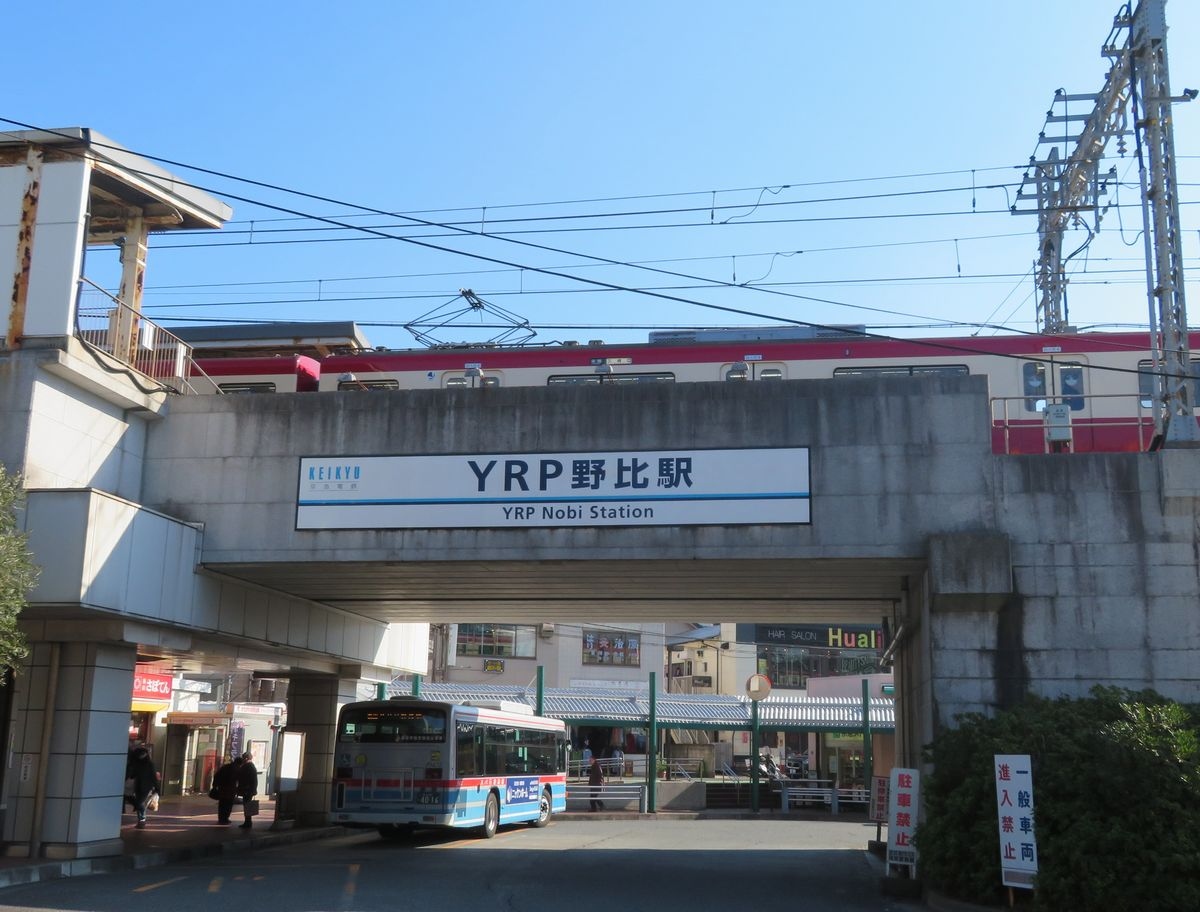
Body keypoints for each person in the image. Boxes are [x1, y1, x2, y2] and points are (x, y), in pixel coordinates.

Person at [125, 743, 159, 829]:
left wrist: (157, 788)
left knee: (139, 802)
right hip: (138, 785)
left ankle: (142, 820)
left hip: (146, 786)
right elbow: (133, 773)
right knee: (137, 801)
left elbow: (153, 776)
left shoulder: (149, 764)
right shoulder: (137, 762)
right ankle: (141, 818)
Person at [212, 755, 240, 824]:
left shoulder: (225, 767)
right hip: (230, 790)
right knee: (228, 805)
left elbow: (217, 775)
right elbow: (238, 780)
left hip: (222, 788)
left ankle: (221, 818)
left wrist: (215, 786)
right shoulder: (236, 769)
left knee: (222, 804)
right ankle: (225, 818)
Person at [237, 751, 259, 829]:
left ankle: (247, 822)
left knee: (247, 806)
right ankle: (248, 822)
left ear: (246, 758)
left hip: (247, 790)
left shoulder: (247, 766)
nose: (242, 759)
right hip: (250, 790)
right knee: (247, 806)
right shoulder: (252, 766)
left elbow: (241, 777)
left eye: (243, 758)